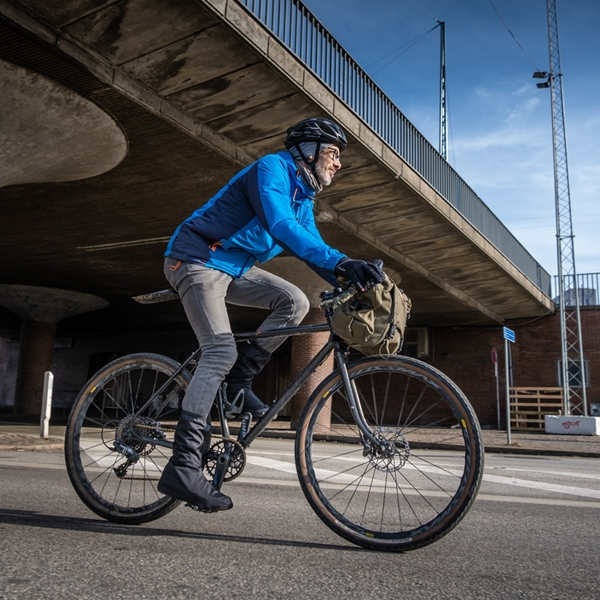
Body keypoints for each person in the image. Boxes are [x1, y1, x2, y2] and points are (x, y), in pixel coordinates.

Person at [157, 117, 384, 512]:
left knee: (294, 301)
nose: (338, 163)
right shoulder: (271, 169)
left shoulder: (304, 197)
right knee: (219, 351)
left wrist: (349, 274)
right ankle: (183, 465)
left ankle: (238, 384)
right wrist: (342, 262)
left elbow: (310, 245)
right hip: (196, 259)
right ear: (308, 151)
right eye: (333, 154)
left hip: (235, 268)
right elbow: (281, 226)